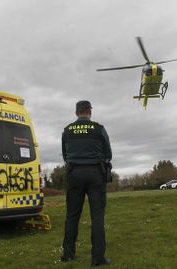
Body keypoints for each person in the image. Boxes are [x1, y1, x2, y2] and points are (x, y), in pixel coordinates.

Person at [61, 100, 112, 267]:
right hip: (96, 174)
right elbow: (108, 153)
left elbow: (65, 155)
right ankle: (97, 259)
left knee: (72, 216)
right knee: (97, 217)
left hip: (74, 174)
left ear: (76, 112)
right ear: (90, 111)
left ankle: (68, 255)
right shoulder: (99, 128)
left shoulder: (67, 131)